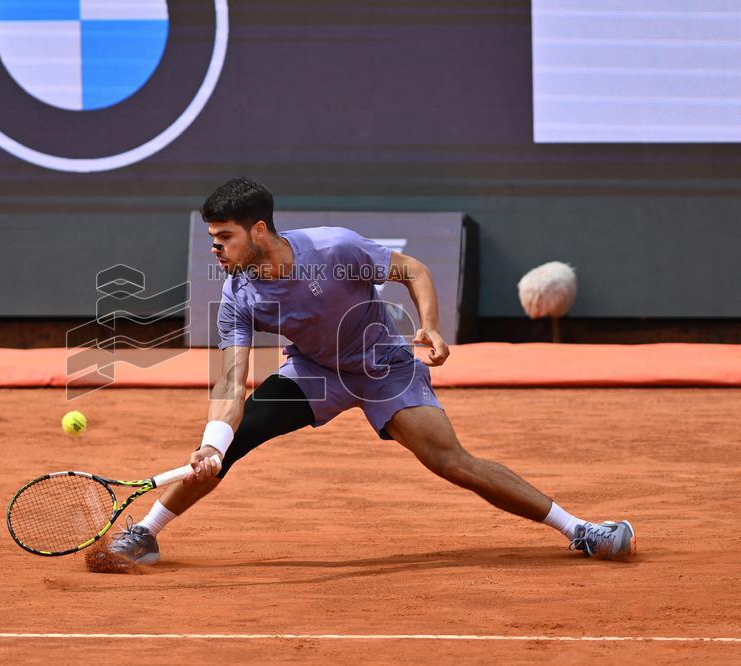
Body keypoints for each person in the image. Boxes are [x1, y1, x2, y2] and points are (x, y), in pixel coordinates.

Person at [109, 178, 635, 566]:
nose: (215, 249)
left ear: (259, 230)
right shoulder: (236, 297)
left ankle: (581, 530)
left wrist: (429, 325)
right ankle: (148, 532)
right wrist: (211, 443)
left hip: (384, 365)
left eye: (224, 237)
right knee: (233, 442)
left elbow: (412, 270)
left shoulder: (334, 249)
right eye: (212, 238)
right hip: (315, 372)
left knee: (451, 462)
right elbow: (230, 382)